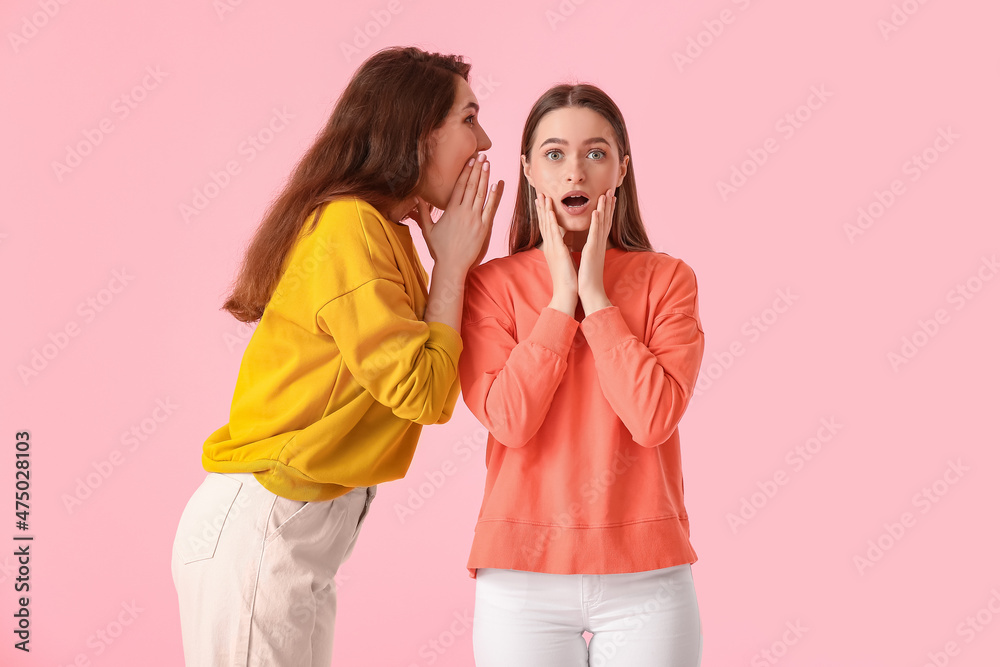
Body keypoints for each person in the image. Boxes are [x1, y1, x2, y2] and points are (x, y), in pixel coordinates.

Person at [170, 46, 504, 666]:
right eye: (469, 118)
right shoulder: (351, 228)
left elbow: (430, 374)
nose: (483, 141)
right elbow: (425, 393)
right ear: (418, 133)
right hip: (263, 529)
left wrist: (450, 269)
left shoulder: (385, 233)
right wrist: (452, 269)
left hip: (299, 538)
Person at [458, 83, 705, 666]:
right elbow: (511, 422)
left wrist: (594, 298)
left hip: (647, 573)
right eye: (554, 154)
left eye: (595, 153)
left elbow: (652, 420)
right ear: (528, 170)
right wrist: (558, 300)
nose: (575, 171)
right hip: (521, 573)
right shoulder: (490, 286)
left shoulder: (668, 279)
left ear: (621, 168)